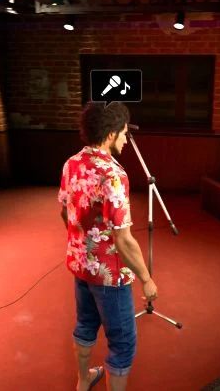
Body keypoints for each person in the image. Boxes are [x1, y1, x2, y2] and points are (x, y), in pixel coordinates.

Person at [59, 102, 158, 391]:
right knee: (123, 344)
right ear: (111, 134)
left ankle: (83, 381)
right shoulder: (113, 174)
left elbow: (65, 212)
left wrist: (84, 245)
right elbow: (123, 239)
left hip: (81, 266)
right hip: (109, 275)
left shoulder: (72, 163)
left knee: (85, 325)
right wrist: (146, 278)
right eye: (124, 133)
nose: (126, 140)